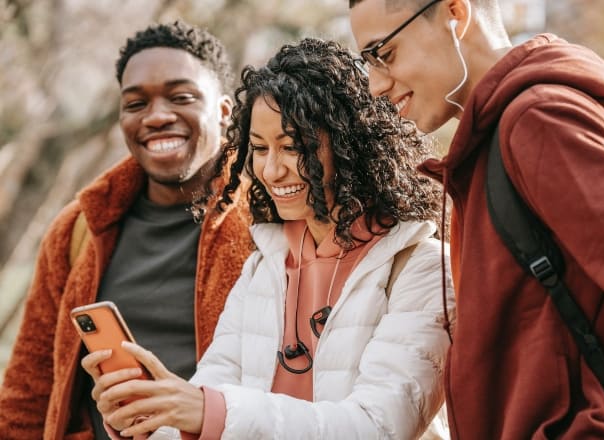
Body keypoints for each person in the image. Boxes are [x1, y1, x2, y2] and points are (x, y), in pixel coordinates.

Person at [81, 37, 455, 439]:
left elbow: (377, 427)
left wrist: (207, 410)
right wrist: (148, 418)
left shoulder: (422, 267)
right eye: (259, 148)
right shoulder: (266, 265)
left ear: (351, 145)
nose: (272, 170)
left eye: (293, 147)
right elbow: (210, 399)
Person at [349, 0, 604, 438]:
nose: (375, 85)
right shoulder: (489, 146)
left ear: (456, 14)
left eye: (384, 53)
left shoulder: (536, 122)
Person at [0, 21, 252, 439]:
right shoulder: (79, 228)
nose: (157, 116)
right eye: (136, 104)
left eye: (181, 97)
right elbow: (29, 391)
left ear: (224, 112)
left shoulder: (270, 221)